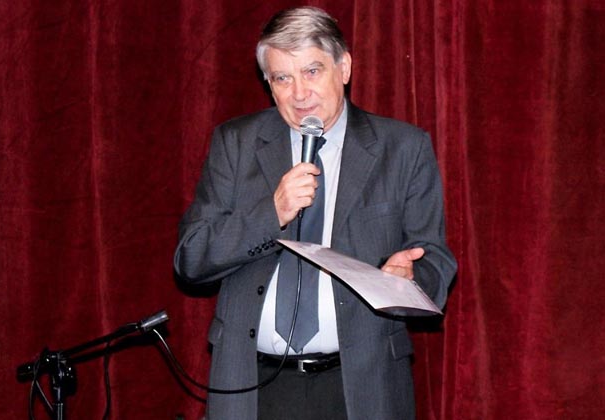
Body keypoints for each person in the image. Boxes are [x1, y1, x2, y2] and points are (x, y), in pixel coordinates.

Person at [174, 6, 456, 420]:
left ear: (344, 68)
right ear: (269, 85)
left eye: (311, 71)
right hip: (252, 385)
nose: (299, 93)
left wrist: (410, 279)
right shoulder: (236, 144)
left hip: (360, 386)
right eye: (282, 78)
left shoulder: (402, 148)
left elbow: (435, 261)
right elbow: (191, 260)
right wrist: (272, 212)